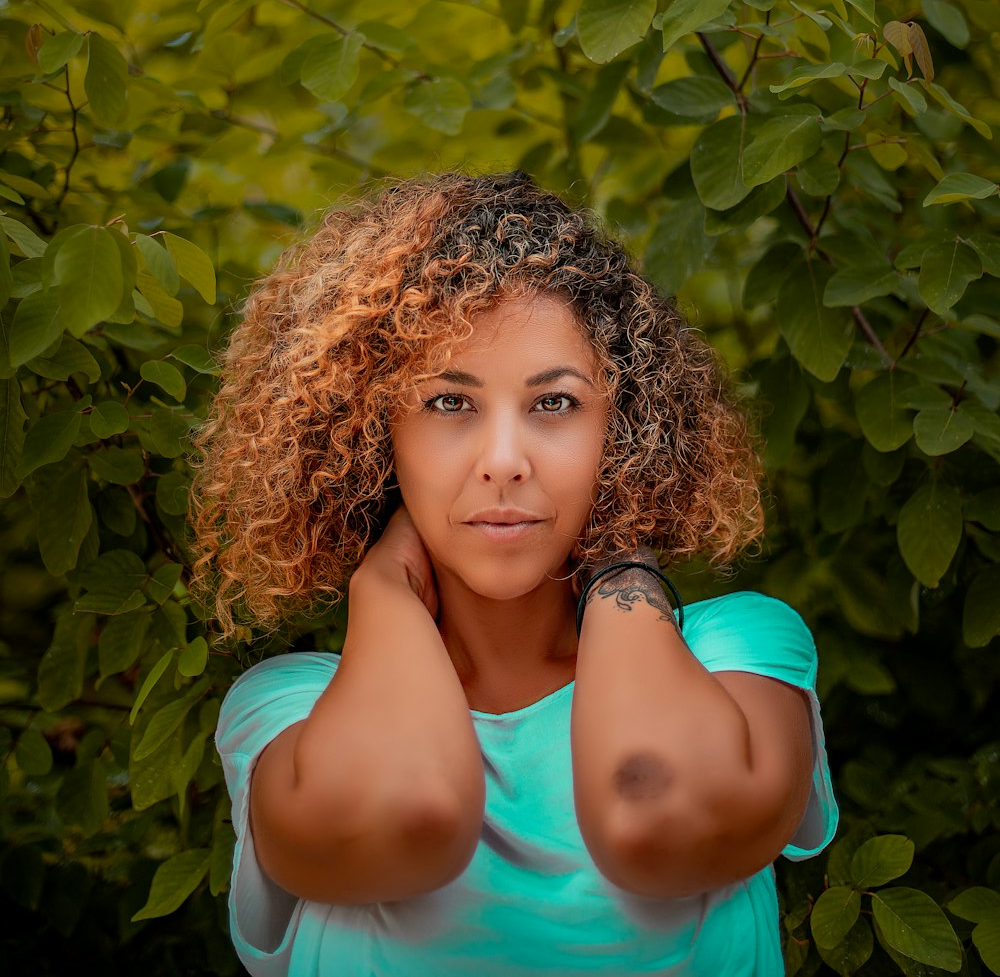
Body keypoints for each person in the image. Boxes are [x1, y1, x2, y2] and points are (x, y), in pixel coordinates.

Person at [191, 170, 837, 977]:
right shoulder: (287, 713)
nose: (503, 463)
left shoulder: (737, 658)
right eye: (449, 405)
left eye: (555, 404)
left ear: (624, 428)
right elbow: (409, 811)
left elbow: (658, 818)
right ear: (370, 433)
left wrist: (618, 563)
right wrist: (381, 589)